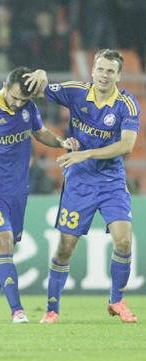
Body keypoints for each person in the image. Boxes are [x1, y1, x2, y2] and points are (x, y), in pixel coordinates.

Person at [24, 49, 140, 324]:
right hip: (80, 182)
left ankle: (117, 301)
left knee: (123, 241)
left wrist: (85, 153)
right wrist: (40, 73)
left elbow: (127, 145)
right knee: (65, 246)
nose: (104, 75)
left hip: (111, 181)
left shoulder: (127, 104)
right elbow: (38, 89)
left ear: (119, 75)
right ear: (92, 70)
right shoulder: (76, 92)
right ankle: (52, 308)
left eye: (110, 71)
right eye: (100, 69)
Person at [0, 67, 78, 324]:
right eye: (13, 97)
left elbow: (39, 131)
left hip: (18, 192)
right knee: (3, 242)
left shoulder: (28, 108)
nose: (16, 104)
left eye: (22, 100)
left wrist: (60, 142)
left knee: (5, 250)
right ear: (4, 85)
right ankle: (17, 310)